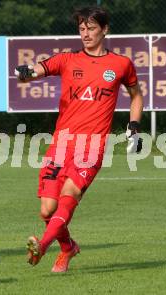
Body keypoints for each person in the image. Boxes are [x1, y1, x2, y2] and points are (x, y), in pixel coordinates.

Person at [15, 6, 143, 273]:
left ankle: (43, 245)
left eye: (92, 28)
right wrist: (25, 73)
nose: (85, 34)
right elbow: (37, 70)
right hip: (61, 145)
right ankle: (68, 247)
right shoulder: (66, 60)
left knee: (69, 195)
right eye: (82, 29)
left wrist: (134, 127)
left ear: (105, 30)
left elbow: (136, 96)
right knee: (47, 211)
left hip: (91, 146)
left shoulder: (121, 64)